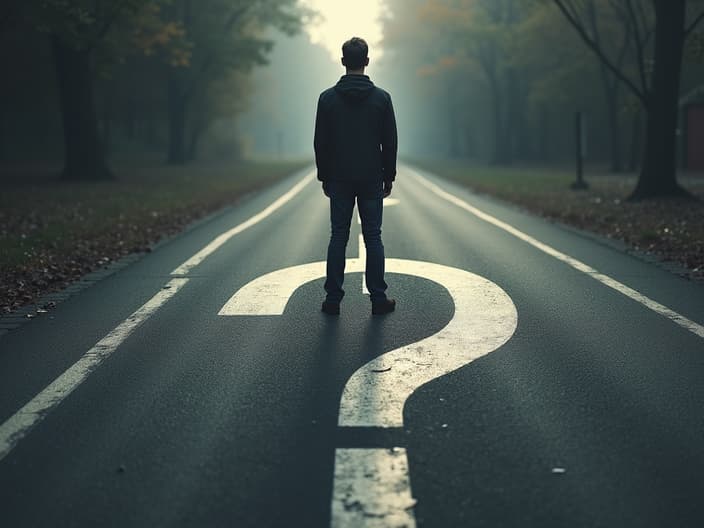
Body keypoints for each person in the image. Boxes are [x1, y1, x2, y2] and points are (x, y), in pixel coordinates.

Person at [314, 36, 398, 316]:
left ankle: (333, 300)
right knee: (373, 236)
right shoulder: (382, 99)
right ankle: (378, 299)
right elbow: (390, 141)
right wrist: (389, 176)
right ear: (366, 61)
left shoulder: (327, 99)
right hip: (371, 175)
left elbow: (320, 142)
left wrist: (324, 175)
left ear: (342, 62)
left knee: (338, 235)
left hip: (339, 176)